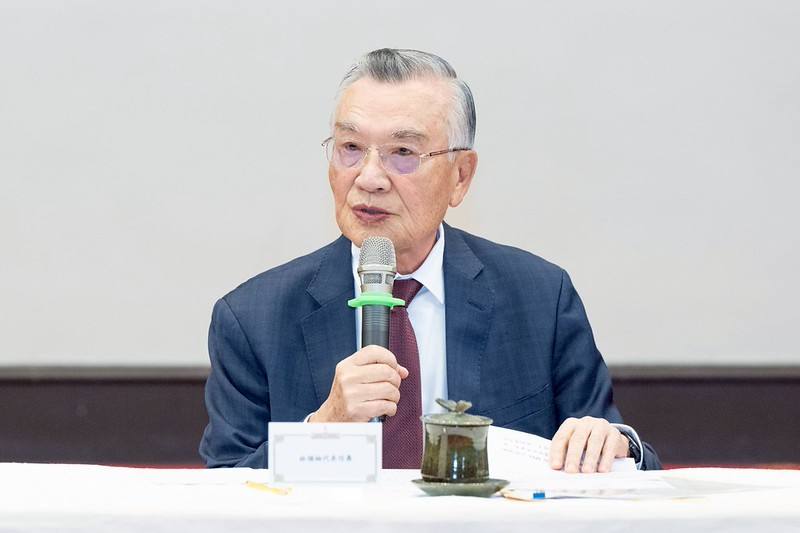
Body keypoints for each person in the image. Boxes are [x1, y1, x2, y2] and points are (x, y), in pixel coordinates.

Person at [200, 48, 661, 472]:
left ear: (460, 177)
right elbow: (221, 491)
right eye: (351, 148)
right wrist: (324, 428)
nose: (370, 177)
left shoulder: (541, 298)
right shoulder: (252, 319)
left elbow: (628, 460)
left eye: (403, 152)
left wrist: (615, 445)